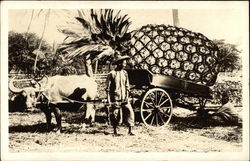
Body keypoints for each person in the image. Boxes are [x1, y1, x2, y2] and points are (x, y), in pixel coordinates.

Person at [106, 54, 135, 136]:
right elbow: (107, 88)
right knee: (115, 114)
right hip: (115, 98)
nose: (125, 64)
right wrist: (108, 100)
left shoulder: (125, 73)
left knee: (130, 112)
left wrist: (127, 96)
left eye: (125, 62)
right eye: (124, 62)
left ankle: (130, 130)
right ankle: (115, 131)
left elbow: (127, 86)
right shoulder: (112, 74)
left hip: (124, 98)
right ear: (119, 64)